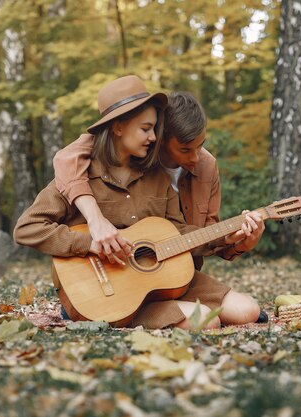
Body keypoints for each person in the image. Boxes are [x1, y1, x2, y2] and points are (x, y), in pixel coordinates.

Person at [14, 75, 262, 329]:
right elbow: (26, 229)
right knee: (206, 322)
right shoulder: (77, 173)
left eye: (154, 129)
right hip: (105, 291)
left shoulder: (157, 176)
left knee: (248, 311)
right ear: (118, 127)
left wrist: (226, 236)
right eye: (146, 129)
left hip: (161, 279)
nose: (154, 137)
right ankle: (129, 313)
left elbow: (179, 232)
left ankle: (160, 305)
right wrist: (89, 243)